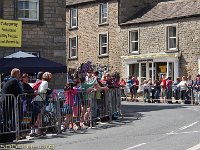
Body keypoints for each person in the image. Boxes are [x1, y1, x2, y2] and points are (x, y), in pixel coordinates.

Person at [0, 68, 22, 143]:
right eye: (19, 74)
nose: (20, 75)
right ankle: (12, 135)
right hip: (9, 102)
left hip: (4, 101)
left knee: (5, 119)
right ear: (17, 74)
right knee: (10, 120)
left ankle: (9, 135)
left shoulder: (5, 80)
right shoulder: (14, 80)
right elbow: (20, 92)